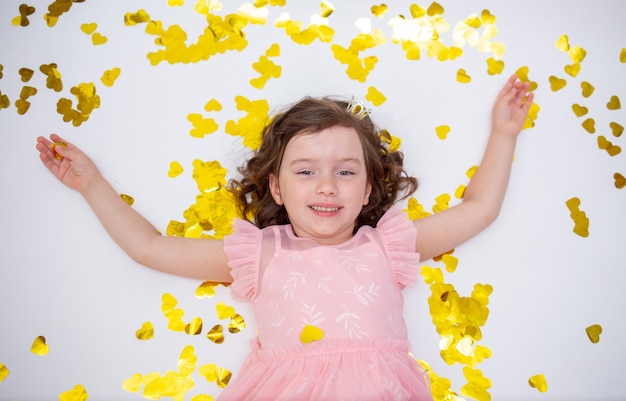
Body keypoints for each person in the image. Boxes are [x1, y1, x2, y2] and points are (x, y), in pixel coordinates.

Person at [36, 74, 533, 400]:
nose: (325, 186)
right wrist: (91, 184)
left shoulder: (388, 246)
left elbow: (479, 209)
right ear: (276, 185)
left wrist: (504, 133)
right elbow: (150, 248)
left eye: (344, 172)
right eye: (305, 171)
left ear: (368, 191)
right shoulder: (261, 254)